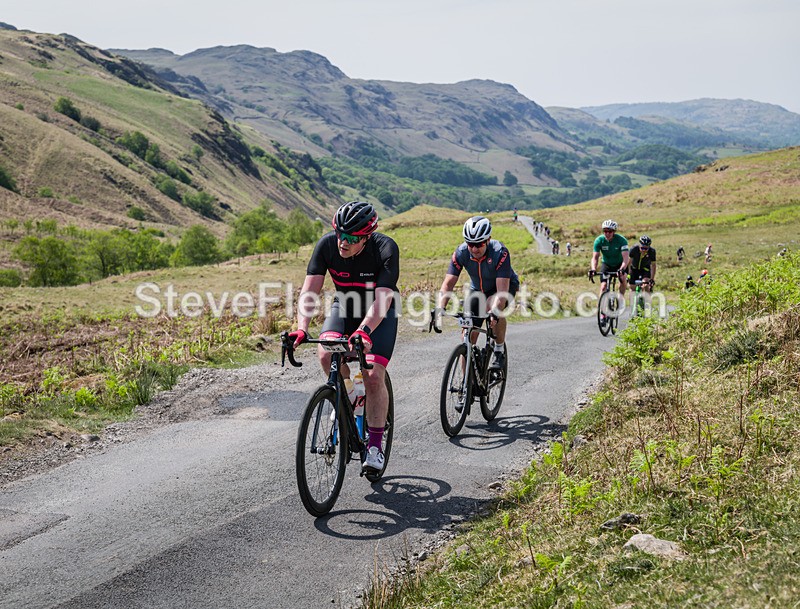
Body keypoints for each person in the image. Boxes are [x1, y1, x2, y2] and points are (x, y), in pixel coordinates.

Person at [287, 201, 399, 474]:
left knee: (373, 375)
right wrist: (302, 327)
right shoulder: (327, 245)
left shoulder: (385, 248)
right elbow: (310, 291)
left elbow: (383, 299)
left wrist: (365, 330)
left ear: (366, 237)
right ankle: (349, 400)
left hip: (379, 313)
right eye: (339, 234)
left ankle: (374, 446)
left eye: (351, 238)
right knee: (326, 353)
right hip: (344, 306)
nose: (342, 242)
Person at [435, 216, 519, 370]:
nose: (474, 249)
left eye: (479, 244)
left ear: (488, 240)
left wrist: (494, 311)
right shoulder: (461, 253)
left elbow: (501, 293)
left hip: (503, 287)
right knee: (467, 335)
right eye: (470, 244)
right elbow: (448, 283)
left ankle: (499, 350)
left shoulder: (500, 252)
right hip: (477, 290)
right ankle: (467, 385)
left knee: (491, 307)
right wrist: (439, 308)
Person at [589, 219, 630, 299]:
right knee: (603, 287)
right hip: (607, 264)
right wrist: (593, 269)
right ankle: (600, 309)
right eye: (605, 231)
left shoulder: (622, 240)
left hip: (620, 264)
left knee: (623, 278)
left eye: (610, 231)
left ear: (614, 232)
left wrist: (621, 269)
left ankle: (620, 298)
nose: (607, 233)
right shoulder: (599, 240)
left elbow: (626, 258)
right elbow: (595, 257)